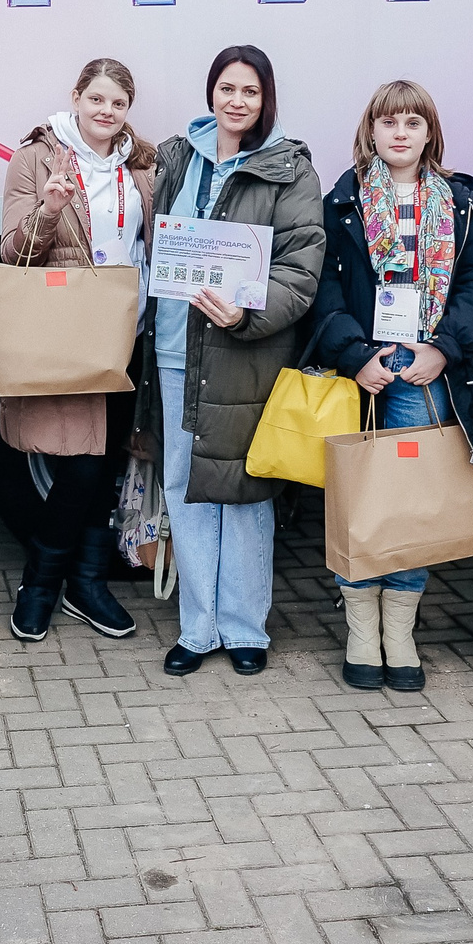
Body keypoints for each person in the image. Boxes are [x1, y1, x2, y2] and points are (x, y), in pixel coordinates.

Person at [137, 46, 326, 678]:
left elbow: (301, 273)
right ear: (211, 91)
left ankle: (246, 627)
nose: (237, 100)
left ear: (266, 98)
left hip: (245, 349)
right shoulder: (176, 157)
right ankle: (198, 628)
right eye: (227, 87)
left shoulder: (290, 170)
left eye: (250, 90)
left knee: (244, 491)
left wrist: (247, 314)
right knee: (185, 487)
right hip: (174, 346)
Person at [308, 81, 473, 692]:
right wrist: (355, 356)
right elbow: (325, 291)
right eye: (390, 122)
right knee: (363, 499)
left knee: (412, 501)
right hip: (365, 372)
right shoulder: (343, 201)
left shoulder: (459, 201)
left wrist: (443, 350)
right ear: (371, 130)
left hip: (423, 372)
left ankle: (400, 630)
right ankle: (362, 627)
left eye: (415, 122)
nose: (401, 132)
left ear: (430, 133)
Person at [0, 59, 155, 643]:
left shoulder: (142, 164)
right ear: (77, 98)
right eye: (97, 100)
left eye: (118, 104)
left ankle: (85, 584)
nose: (106, 112)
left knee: (108, 462)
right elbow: (15, 253)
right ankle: (44, 584)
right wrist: (50, 209)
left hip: (130, 332)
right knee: (80, 464)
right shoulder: (36, 158)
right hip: (69, 332)